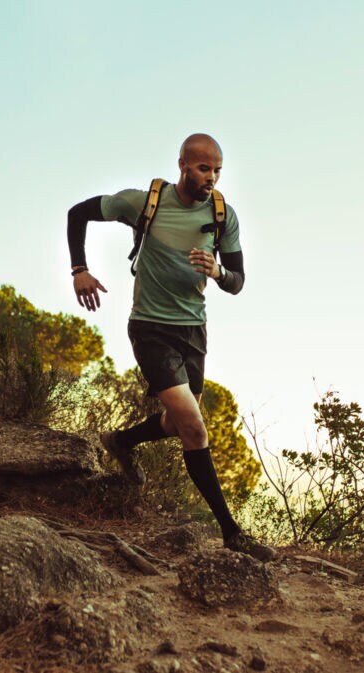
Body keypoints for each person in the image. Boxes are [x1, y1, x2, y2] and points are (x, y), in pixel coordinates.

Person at [66, 133, 276, 562]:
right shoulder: (144, 203)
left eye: (217, 170)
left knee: (180, 423)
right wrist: (79, 269)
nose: (211, 178)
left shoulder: (222, 216)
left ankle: (121, 441)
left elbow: (238, 282)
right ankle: (231, 533)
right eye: (203, 168)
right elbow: (77, 213)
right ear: (183, 164)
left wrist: (217, 271)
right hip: (150, 327)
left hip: (193, 331)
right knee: (196, 428)